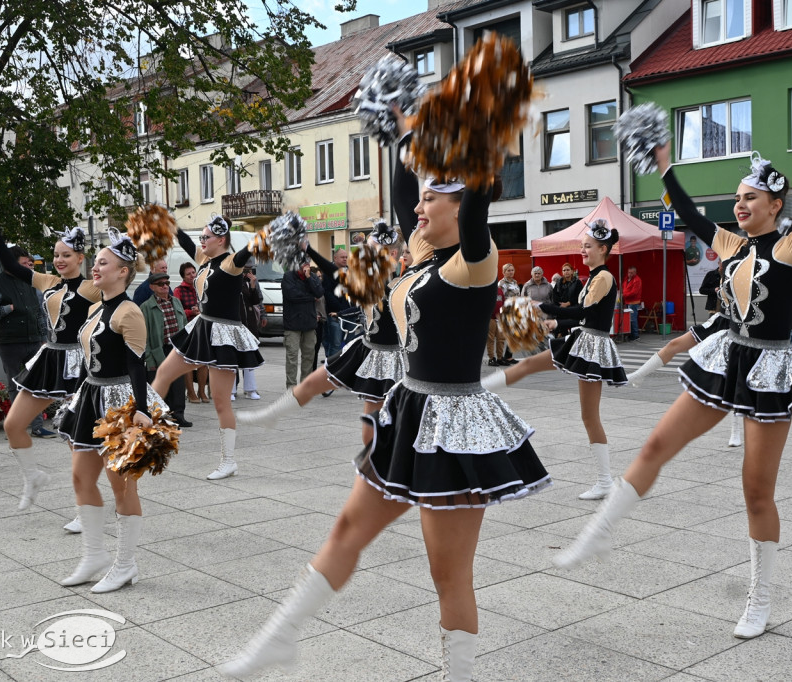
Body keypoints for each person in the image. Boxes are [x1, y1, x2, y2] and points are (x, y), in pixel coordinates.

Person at [218, 129, 550, 681]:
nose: (417, 208)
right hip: (410, 411)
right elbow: (403, 196)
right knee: (346, 529)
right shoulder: (423, 255)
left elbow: (475, 212)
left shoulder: (478, 258)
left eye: (432, 198)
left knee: (447, 573)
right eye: (420, 198)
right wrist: (403, 129)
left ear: (461, 203)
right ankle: (281, 637)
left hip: (457, 426)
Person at [554, 143, 792, 641]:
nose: (740, 205)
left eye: (751, 198)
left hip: (770, 370)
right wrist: (663, 165)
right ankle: (600, 531)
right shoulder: (730, 244)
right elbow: (684, 213)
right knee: (657, 444)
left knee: (755, 491)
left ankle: (760, 595)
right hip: (727, 357)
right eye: (737, 198)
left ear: (775, 206)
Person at [55, 229, 167, 593]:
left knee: (122, 486)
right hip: (90, 396)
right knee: (80, 477)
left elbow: (138, 365)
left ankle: (125, 564)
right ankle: (93, 556)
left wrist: (139, 409)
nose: (96, 267)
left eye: (103, 263)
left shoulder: (130, 311)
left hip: (120, 403)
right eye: (96, 262)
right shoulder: (94, 307)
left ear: (123, 271)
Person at [485, 220, 627, 500]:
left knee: (589, 416)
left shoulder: (604, 277)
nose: (582, 250)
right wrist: (555, 324)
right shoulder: (595, 276)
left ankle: (605, 481)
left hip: (592, 346)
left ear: (603, 248)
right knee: (527, 365)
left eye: (587, 246)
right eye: (583, 246)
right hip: (582, 339)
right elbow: (583, 316)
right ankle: (480, 388)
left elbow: (583, 312)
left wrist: (542, 307)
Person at [239, 222, 414, 446]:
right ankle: (272, 414)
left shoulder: (407, 282)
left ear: (391, 253)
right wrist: (308, 249)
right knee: (314, 384)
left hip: (395, 359)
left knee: (384, 429)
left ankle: (394, 466)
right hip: (367, 349)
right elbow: (335, 273)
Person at [0, 220, 102, 515]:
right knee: (13, 425)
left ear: (80, 258)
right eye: (56, 255)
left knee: (77, 440)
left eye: (66, 255)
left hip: (80, 364)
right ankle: (33, 477)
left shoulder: (92, 288)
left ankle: (85, 509)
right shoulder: (47, 282)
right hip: (49, 359)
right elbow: (10, 263)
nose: (59, 260)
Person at [150, 215, 264, 480]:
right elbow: (185, 241)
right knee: (163, 374)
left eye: (206, 237)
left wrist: (268, 234)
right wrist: (170, 224)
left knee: (222, 402)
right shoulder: (203, 259)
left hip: (224, 333)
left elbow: (249, 249)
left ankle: (229, 461)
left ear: (221, 240)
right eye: (201, 237)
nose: (201, 242)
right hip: (202, 328)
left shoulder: (231, 262)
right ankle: (143, 432)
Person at [627, 260, 745, 448]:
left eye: (724, 261)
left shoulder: (745, 270)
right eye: (721, 261)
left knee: (733, 373)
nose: (720, 264)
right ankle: (639, 374)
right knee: (674, 343)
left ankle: (736, 429)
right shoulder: (718, 273)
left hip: (739, 326)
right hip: (718, 320)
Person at [0, 246, 50, 440]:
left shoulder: (32, 282)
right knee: (14, 385)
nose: (27, 268)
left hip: (34, 340)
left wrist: (44, 338)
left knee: (35, 383)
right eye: (23, 264)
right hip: (9, 342)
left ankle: (38, 426)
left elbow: (40, 313)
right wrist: (8, 308)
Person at [140, 272, 191, 427]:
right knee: (159, 383)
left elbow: (184, 325)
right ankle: (161, 417)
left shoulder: (176, 302)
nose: (165, 286)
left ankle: (179, 415)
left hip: (177, 349)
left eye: (167, 283)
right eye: (160, 284)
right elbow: (144, 336)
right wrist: (149, 358)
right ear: (152, 287)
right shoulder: (146, 307)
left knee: (178, 384)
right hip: (158, 350)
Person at [281, 261, 324, 389]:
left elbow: (319, 292)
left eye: (307, 263)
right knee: (292, 357)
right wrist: (311, 298)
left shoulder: (312, 277)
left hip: (309, 323)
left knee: (309, 356)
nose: (306, 265)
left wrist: (309, 278)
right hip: (292, 323)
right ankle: (291, 387)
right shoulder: (288, 276)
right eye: (303, 263)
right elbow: (292, 295)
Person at [173, 261, 209, 405]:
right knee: (187, 362)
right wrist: (190, 311)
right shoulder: (178, 290)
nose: (192, 276)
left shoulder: (201, 288)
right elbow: (178, 310)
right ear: (183, 276)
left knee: (203, 361)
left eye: (193, 272)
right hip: (187, 329)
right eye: (188, 274)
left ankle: (201, 391)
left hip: (202, 327)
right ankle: (191, 392)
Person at [231, 259, 264, 401]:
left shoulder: (249, 282)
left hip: (248, 325)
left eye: (250, 269)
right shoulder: (232, 280)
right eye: (246, 269)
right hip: (234, 325)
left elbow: (256, 300)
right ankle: (230, 391)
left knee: (249, 358)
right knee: (232, 360)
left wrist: (252, 285)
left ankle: (250, 389)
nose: (248, 272)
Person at [321, 248, 351, 359]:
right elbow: (327, 293)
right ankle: (332, 369)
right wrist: (340, 309)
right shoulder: (328, 272)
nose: (345, 259)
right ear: (335, 258)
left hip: (350, 314)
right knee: (336, 344)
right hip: (334, 314)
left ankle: (346, 369)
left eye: (346, 257)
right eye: (342, 257)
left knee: (350, 343)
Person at [497, 263, 521, 365]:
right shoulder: (501, 283)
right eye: (508, 270)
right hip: (507, 310)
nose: (511, 272)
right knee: (504, 335)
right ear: (504, 272)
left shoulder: (515, 282)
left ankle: (509, 355)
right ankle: (500, 357)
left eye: (512, 270)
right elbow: (499, 298)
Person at [622, 266, 643, 341]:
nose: (629, 274)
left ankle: (635, 335)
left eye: (631, 273)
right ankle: (631, 334)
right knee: (629, 319)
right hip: (627, 301)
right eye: (629, 272)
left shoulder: (637, 280)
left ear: (635, 272)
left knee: (632, 318)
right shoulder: (626, 279)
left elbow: (634, 292)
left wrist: (624, 295)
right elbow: (624, 289)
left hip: (633, 302)